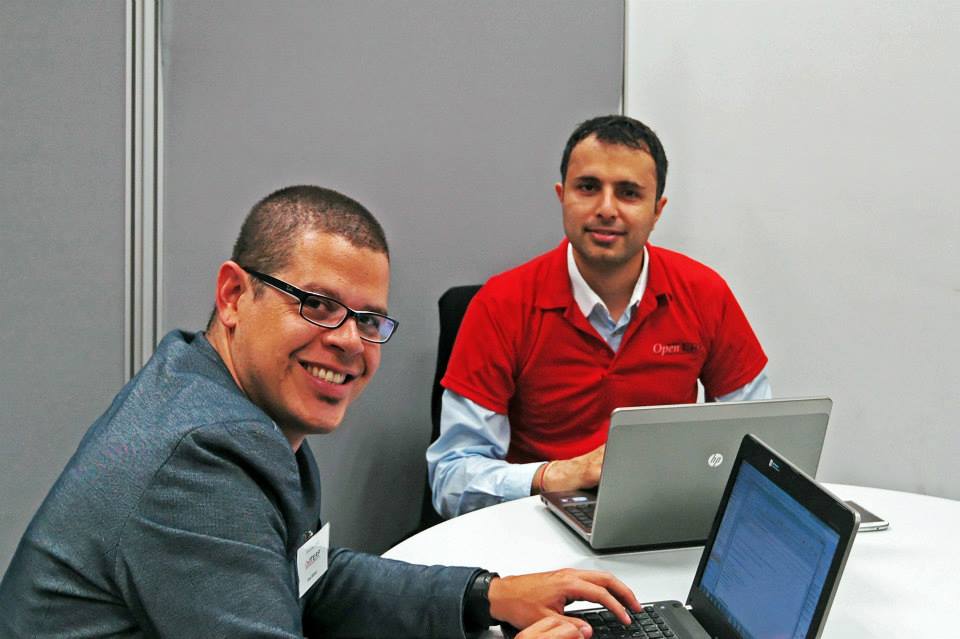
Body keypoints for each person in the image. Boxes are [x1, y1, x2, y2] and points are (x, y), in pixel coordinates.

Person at [0, 186, 640, 638]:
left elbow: (304, 579)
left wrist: (487, 595)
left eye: (368, 319)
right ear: (233, 295)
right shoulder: (198, 461)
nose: (349, 341)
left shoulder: (217, 394)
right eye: (317, 304)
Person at [428, 115, 771, 519]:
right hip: (533, 521)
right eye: (588, 187)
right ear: (562, 196)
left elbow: (760, 445)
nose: (607, 209)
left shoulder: (704, 293)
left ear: (657, 210)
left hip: (660, 518)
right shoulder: (500, 304)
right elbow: (451, 478)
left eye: (629, 193)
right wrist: (558, 475)